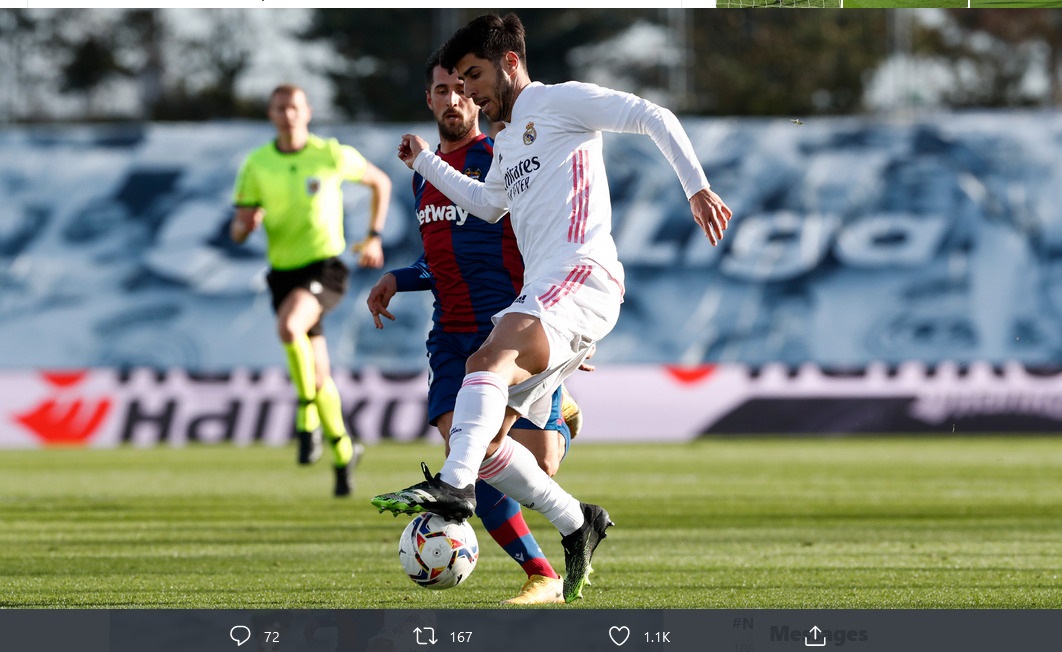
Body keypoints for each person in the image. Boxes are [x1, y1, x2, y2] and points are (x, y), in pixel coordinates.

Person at [372, 13, 731, 603]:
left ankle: (454, 489)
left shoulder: (559, 102)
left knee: (486, 362)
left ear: (510, 63)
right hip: (546, 292)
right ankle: (576, 521)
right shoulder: (508, 140)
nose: (467, 91)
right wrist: (427, 165)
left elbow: (651, 115)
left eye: (474, 76)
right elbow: (489, 206)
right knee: (486, 441)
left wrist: (696, 186)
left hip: (582, 274)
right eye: (458, 81)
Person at [366, 51, 578, 605]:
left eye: (463, 88)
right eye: (442, 90)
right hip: (451, 336)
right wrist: (400, 276)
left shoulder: (500, 158)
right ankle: (542, 575)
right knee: (478, 460)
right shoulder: (424, 178)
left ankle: (561, 405)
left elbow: (539, 237)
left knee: (539, 466)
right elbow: (440, 258)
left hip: (509, 330)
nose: (454, 100)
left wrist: (561, 319)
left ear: (475, 95)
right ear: (430, 99)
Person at [231, 83, 392, 497]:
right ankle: (344, 449)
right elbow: (238, 227)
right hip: (282, 274)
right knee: (317, 372)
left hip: (325, 267)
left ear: (308, 111)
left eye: (294, 107)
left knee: (289, 328)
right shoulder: (257, 163)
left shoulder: (330, 154)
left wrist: (373, 236)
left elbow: (380, 182)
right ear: (270, 113)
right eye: (280, 107)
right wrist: (245, 226)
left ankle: (306, 420)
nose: (287, 115)